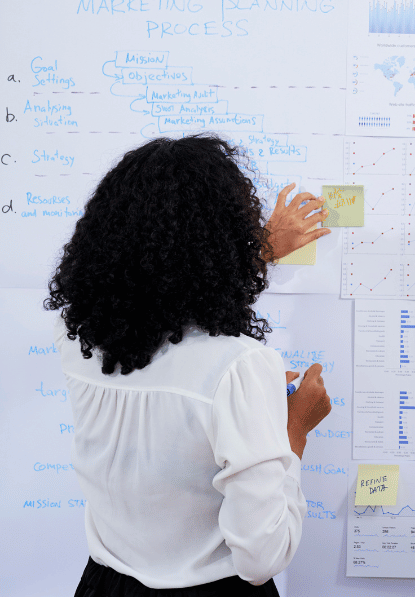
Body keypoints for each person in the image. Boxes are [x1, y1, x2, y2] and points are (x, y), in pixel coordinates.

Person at [45, 135, 334, 596]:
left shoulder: (76, 333)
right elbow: (262, 557)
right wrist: (292, 429)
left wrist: (257, 256)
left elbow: (163, 298)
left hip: (104, 585)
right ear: (225, 241)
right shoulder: (240, 367)